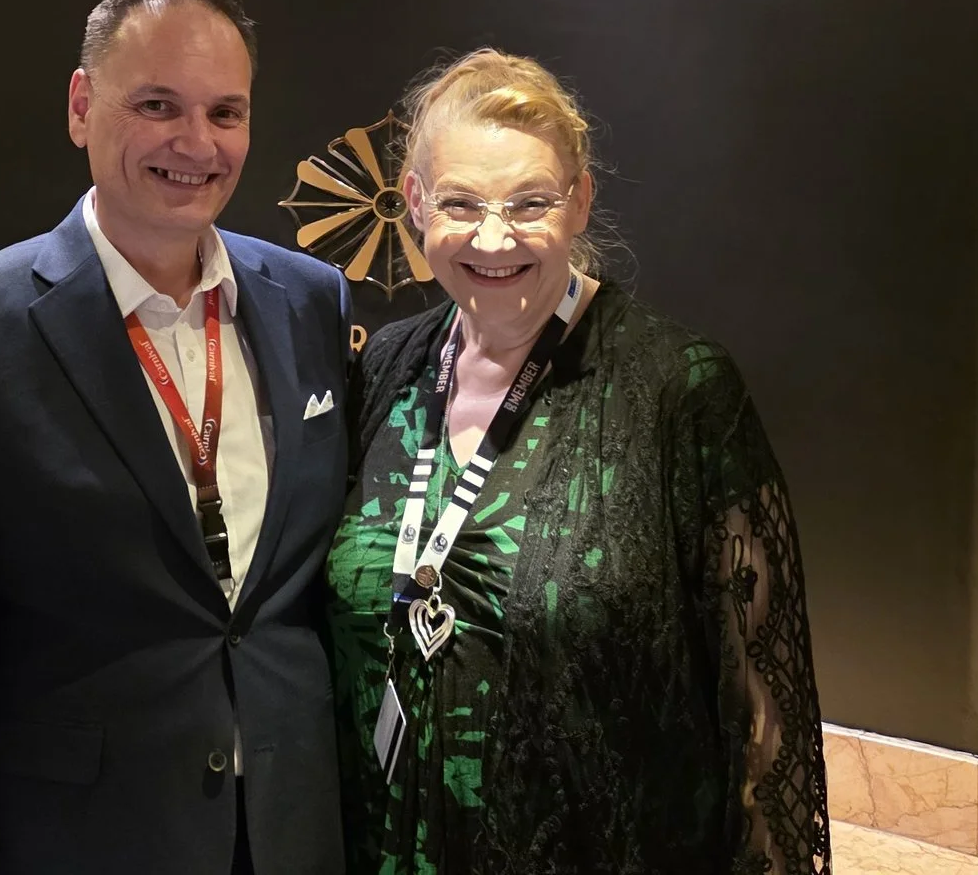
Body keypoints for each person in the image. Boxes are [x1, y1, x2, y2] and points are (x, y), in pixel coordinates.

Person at [0, 0, 354, 875]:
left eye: (226, 113)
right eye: (158, 105)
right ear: (83, 106)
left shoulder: (309, 300)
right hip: (83, 842)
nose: (195, 144)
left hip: (294, 829)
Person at [326, 50, 829, 875]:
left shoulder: (680, 389)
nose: (494, 238)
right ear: (415, 204)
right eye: (460, 204)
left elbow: (762, 711)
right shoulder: (387, 366)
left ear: (581, 199)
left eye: (531, 203)